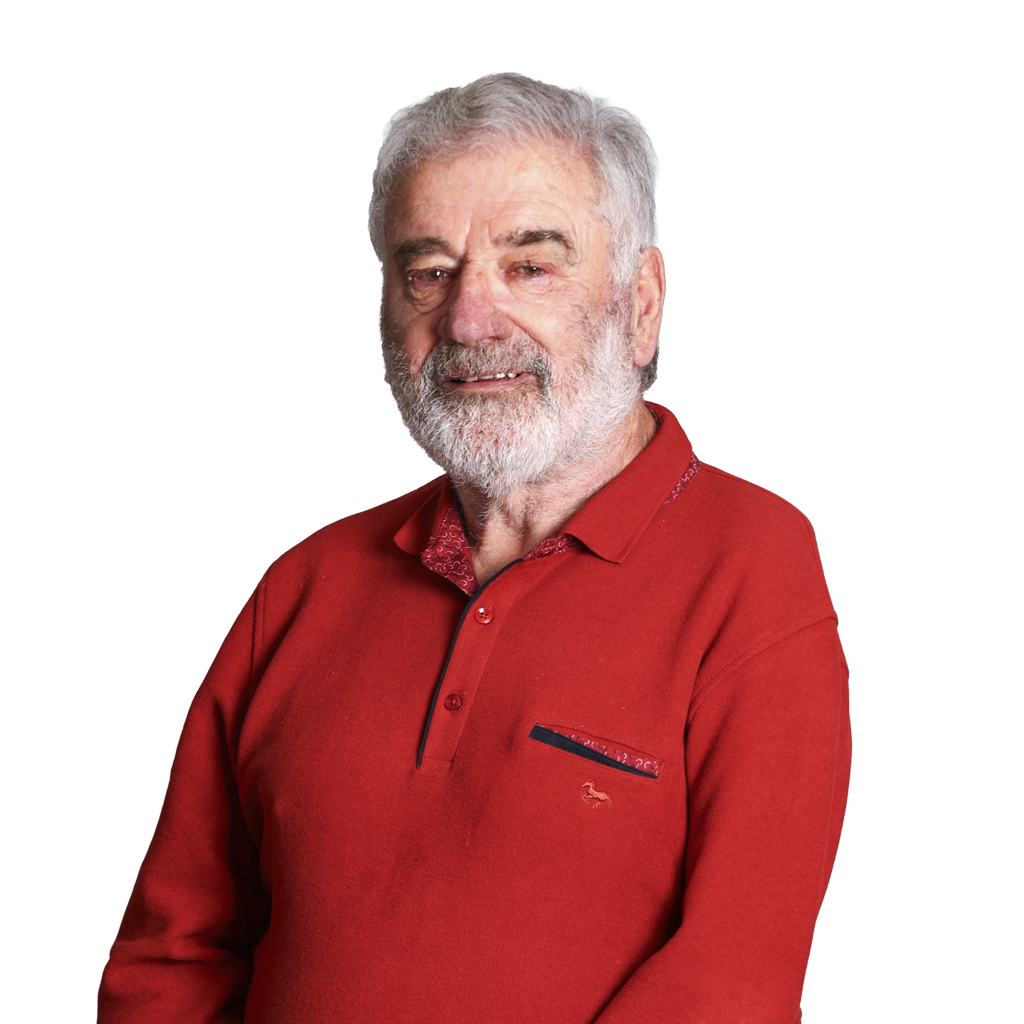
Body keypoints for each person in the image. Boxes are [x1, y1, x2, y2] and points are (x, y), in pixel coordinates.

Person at [99, 74, 851, 1024]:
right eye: (430, 272)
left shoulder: (752, 566)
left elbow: (730, 981)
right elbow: (173, 959)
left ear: (641, 303)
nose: (467, 319)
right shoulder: (305, 587)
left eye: (529, 267)